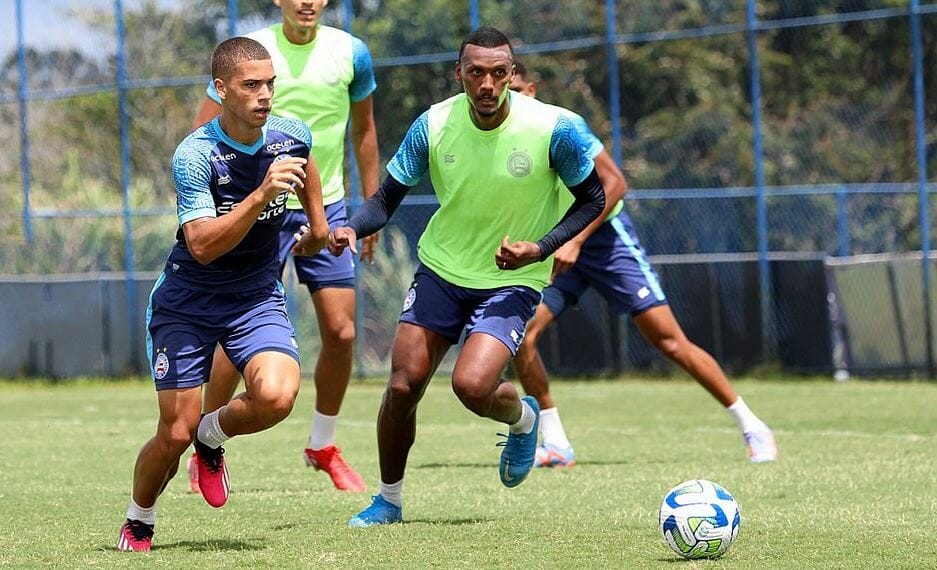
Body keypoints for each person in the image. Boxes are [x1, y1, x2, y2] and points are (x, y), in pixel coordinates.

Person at [330, 27, 607, 528]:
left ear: (512, 75)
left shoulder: (552, 128)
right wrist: (350, 226)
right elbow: (386, 200)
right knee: (401, 385)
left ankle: (523, 419)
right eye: (475, 72)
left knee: (473, 386)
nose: (486, 83)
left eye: (498, 73)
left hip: (511, 279)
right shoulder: (434, 125)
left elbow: (594, 197)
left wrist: (540, 248)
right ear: (459, 73)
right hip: (441, 270)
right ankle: (388, 501)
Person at [116, 37, 330, 552]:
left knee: (277, 396)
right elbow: (203, 246)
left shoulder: (289, 134)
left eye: (270, 84)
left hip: (255, 296)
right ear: (221, 88)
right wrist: (260, 195)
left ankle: (211, 439)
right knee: (173, 432)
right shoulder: (196, 154)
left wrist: (319, 229)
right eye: (250, 85)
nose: (264, 95)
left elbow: (308, 168)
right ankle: (139, 518)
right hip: (187, 303)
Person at [507, 62, 778, 468]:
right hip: (560, 245)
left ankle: (753, 426)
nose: (509, 97)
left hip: (604, 242)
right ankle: (556, 443)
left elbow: (616, 184)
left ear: (532, 89)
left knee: (669, 341)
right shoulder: (505, 141)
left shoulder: (565, 126)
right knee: (523, 336)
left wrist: (578, 240)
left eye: (515, 88)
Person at [189, 0, 379, 493]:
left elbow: (364, 130)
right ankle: (207, 441)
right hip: (255, 204)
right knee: (238, 330)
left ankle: (323, 444)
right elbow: (202, 135)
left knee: (340, 333)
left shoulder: (351, 52)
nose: (308, 2)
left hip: (327, 203)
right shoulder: (252, 53)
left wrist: (371, 211)